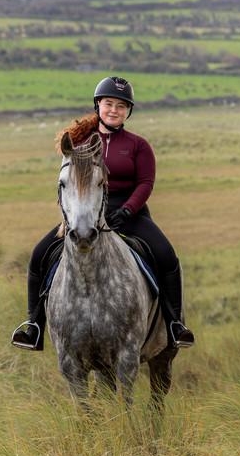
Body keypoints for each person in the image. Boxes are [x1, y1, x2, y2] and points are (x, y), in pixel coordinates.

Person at [11, 76, 195, 351]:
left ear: (128, 112)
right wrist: (68, 215)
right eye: (109, 103)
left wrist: (127, 210)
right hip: (85, 213)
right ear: (98, 105)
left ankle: (173, 325)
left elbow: (146, 183)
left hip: (129, 213)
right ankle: (34, 326)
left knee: (167, 256)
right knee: (39, 255)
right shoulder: (78, 143)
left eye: (121, 106)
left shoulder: (138, 145)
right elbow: (66, 184)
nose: (114, 110)